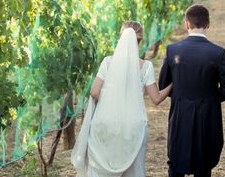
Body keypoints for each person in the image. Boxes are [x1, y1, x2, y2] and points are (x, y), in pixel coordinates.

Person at [72, 21, 172, 177]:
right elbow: (156, 98)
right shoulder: (146, 67)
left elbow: (94, 92)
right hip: (134, 125)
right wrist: (173, 84)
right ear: (140, 41)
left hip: (106, 122)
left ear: (120, 38)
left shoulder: (107, 62)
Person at [158, 4, 225, 177]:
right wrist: (210, 98)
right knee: (204, 163)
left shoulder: (172, 50)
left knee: (176, 162)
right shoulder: (218, 53)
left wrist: (182, 94)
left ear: (187, 24)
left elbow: (164, 85)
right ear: (208, 24)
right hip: (208, 115)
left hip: (180, 113)